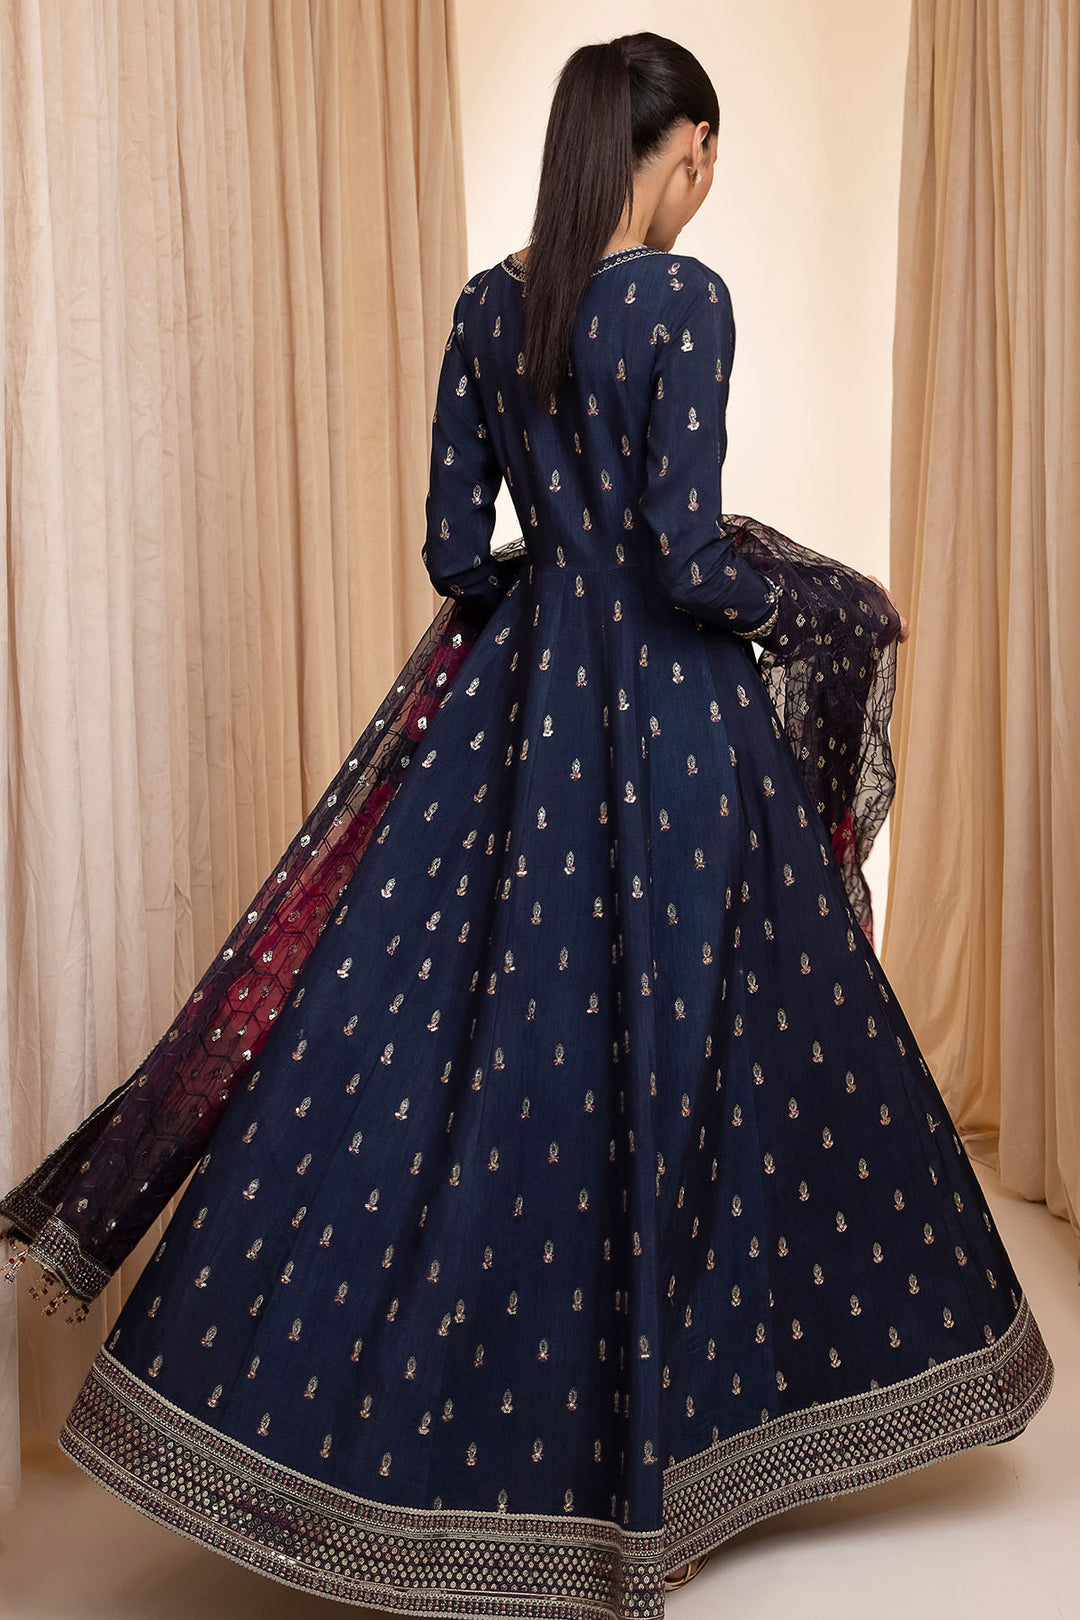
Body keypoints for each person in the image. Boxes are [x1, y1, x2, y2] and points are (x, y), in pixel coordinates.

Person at [0, 31, 1053, 1616]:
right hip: (679, 732)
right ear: (682, 150)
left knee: (468, 1059)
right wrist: (805, 593)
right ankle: (691, 1465)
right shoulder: (683, 300)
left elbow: (452, 549)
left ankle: (361, 1446)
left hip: (517, 716)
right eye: (706, 163)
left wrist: (547, 613)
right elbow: (688, 559)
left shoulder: (489, 307)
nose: (706, 190)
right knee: (702, 1048)